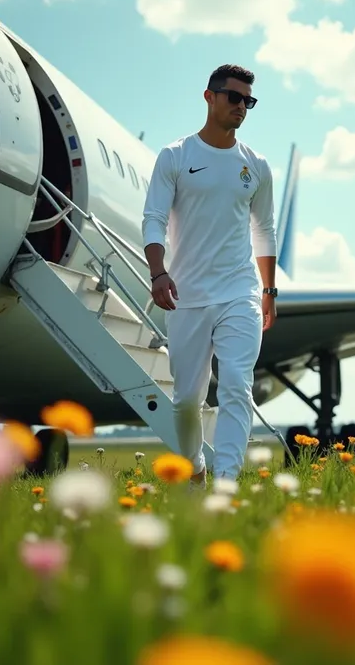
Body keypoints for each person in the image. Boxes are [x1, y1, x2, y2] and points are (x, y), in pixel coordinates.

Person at [142, 64, 278, 486]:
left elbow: (264, 229)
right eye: (233, 97)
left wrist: (269, 289)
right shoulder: (176, 156)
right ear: (210, 97)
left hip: (240, 292)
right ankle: (196, 469)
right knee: (186, 401)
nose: (241, 106)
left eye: (248, 101)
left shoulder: (256, 165)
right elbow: (153, 218)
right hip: (187, 295)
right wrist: (158, 271)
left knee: (237, 384)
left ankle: (226, 483)